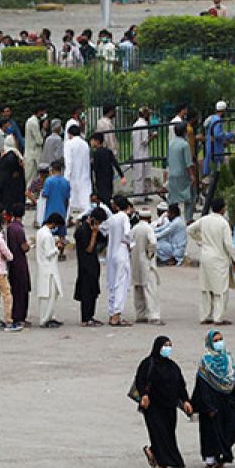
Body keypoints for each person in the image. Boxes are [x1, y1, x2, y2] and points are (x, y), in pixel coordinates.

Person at [136, 336, 193, 468]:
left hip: (169, 406)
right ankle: (161, 463)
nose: (168, 348)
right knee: (158, 432)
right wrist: (144, 395)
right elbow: (140, 380)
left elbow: (180, 384)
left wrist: (185, 400)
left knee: (168, 433)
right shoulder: (148, 363)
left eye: (170, 345)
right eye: (165, 345)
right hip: (153, 406)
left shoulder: (172, 366)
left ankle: (153, 452)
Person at [192, 330, 235, 468]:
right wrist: (207, 406)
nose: (219, 343)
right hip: (212, 402)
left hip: (228, 400)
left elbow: (233, 380)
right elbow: (202, 384)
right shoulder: (206, 362)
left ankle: (222, 452)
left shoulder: (228, 359)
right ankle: (212, 458)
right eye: (215, 341)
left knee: (233, 427)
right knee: (211, 431)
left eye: (220, 339)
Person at [186, 197, 235, 325]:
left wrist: (201, 240)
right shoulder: (223, 223)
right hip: (219, 259)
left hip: (205, 257)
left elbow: (189, 229)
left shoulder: (205, 219)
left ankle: (205, 316)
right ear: (223, 208)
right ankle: (218, 317)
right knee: (220, 289)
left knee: (206, 287)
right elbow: (229, 244)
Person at [103, 196, 134, 326]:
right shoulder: (124, 217)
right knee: (121, 283)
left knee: (112, 282)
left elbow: (103, 229)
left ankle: (112, 313)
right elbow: (128, 233)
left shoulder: (112, 219)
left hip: (111, 252)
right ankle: (116, 315)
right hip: (122, 250)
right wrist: (130, 244)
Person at [73, 207, 105, 327]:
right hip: (85, 265)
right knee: (86, 292)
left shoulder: (92, 229)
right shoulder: (82, 231)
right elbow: (89, 248)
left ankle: (91, 315)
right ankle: (85, 318)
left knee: (93, 291)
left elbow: (104, 239)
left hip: (93, 264)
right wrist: (94, 234)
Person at [36, 212, 64, 328]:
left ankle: (50, 316)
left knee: (47, 294)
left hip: (44, 267)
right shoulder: (47, 235)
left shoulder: (41, 231)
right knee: (50, 294)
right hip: (49, 269)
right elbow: (49, 253)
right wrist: (57, 248)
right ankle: (45, 319)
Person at [5, 205, 32, 329]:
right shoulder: (19, 230)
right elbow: (24, 247)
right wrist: (30, 245)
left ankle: (15, 314)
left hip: (11, 262)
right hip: (20, 262)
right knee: (22, 290)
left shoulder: (10, 227)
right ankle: (20, 317)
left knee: (15, 290)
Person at [63, 125, 92, 217]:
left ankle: (66, 219)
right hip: (85, 175)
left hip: (73, 176)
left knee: (68, 201)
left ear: (69, 134)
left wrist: (66, 178)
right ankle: (84, 217)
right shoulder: (85, 144)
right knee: (85, 201)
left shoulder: (69, 144)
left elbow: (68, 162)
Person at [90, 132, 125, 207]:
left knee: (102, 197)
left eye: (92, 140)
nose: (91, 142)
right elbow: (115, 163)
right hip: (109, 177)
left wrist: (91, 164)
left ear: (97, 141)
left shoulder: (96, 153)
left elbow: (95, 168)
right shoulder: (108, 151)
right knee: (108, 195)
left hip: (100, 179)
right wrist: (122, 176)